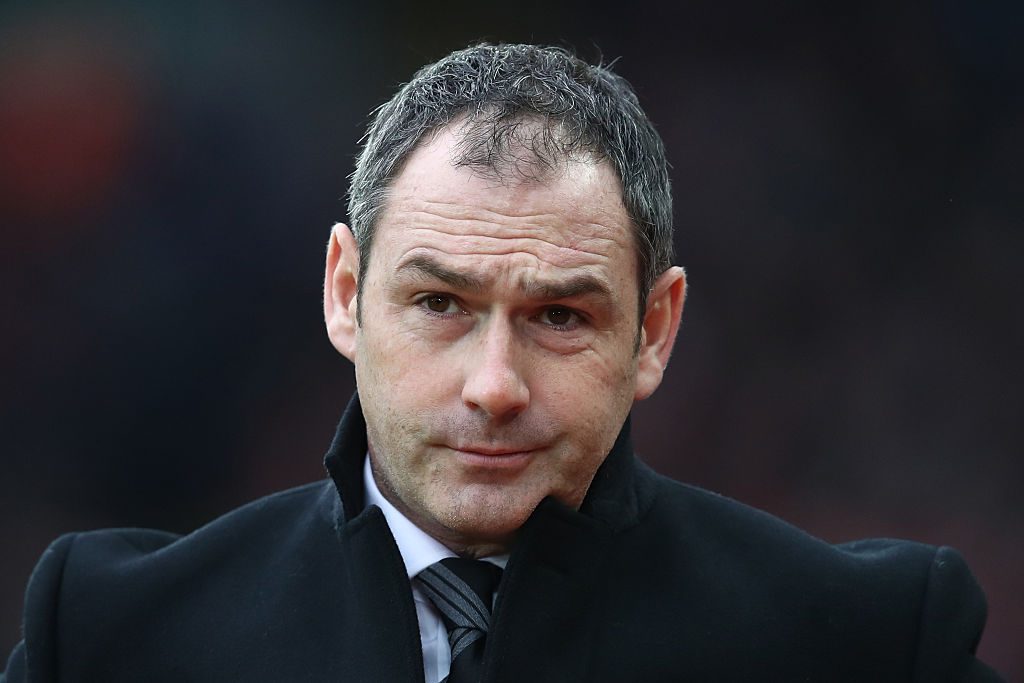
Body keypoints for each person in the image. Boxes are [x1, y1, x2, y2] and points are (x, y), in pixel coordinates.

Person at [1, 43, 1003, 683]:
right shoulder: (110, 635)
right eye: (439, 302)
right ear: (345, 294)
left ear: (655, 329)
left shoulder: (867, 644)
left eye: (559, 314)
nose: (493, 382)